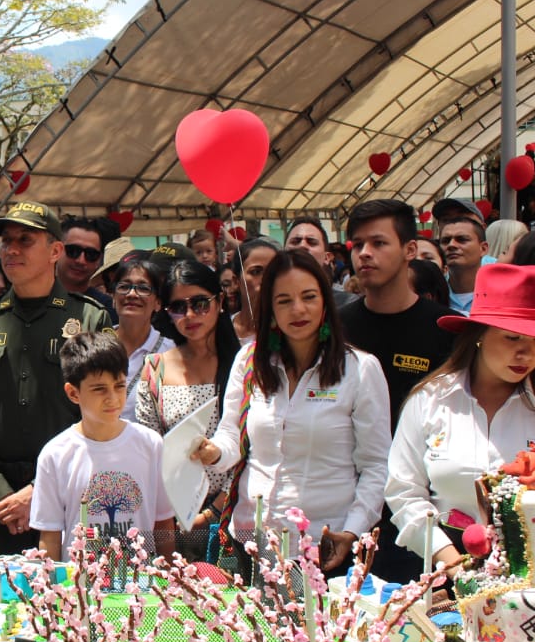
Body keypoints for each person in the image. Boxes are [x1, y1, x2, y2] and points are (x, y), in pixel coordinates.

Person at [386, 263, 535, 572]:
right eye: (512, 338)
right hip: (449, 573)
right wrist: (451, 562)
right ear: (479, 335)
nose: (527, 353)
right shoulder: (430, 399)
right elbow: (403, 492)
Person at [197, 250, 390, 575]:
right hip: (250, 540)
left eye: (309, 297)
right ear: (269, 308)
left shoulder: (359, 369)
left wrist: (353, 530)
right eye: (283, 300)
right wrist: (213, 452)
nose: (298, 309)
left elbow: (376, 465)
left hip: (324, 547)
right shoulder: (249, 361)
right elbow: (233, 436)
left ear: (326, 301)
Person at [0, 201, 111, 552]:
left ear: (55, 251)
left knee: (72, 599)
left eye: (25, 239)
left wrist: (41, 489)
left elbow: (102, 410)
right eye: (7, 241)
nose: (12, 249)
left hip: (69, 497)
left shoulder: (90, 319)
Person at [30, 331, 175, 561]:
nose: (113, 398)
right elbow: (50, 535)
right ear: (73, 393)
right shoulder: (54, 454)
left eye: (119, 386)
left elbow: (164, 522)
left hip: (142, 588)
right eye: (99, 389)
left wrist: (168, 580)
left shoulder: (151, 445)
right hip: (80, 588)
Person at [135, 259, 241, 535]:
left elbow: (251, 447)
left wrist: (211, 512)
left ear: (219, 302)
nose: (190, 314)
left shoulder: (242, 365)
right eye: (178, 307)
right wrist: (171, 512)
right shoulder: (155, 368)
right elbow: (151, 450)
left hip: (236, 513)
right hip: (171, 517)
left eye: (200, 303)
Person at [339, 200, 456, 427]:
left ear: (410, 250)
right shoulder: (336, 326)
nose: (364, 253)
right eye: (358, 244)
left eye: (379, 243)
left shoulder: (448, 328)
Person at [110, 258, 172, 420]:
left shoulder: (170, 353)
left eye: (143, 288)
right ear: (113, 298)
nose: (132, 294)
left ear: (158, 303)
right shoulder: (96, 345)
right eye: (124, 287)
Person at [284, 217, 356, 306]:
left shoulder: (348, 304)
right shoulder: (267, 303)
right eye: (295, 242)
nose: (302, 246)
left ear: (327, 258)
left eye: (312, 242)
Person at [57, 216, 117, 320]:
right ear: (56, 250)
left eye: (91, 254)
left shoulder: (108, 308)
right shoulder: (31, 298)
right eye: (73, 251)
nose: (81, 260)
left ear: (99, 260)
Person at [229, 237, 279, 342]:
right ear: (236, 281)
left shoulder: (288, 331)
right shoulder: (221, 330)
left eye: (272, 272)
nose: (265, 279)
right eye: (256, 272)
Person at [440, 216, 487, 314]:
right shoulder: (434, 295)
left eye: (462, 239)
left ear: (483, 248)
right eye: (445, 241)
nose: (451, 245)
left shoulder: (501, 295)